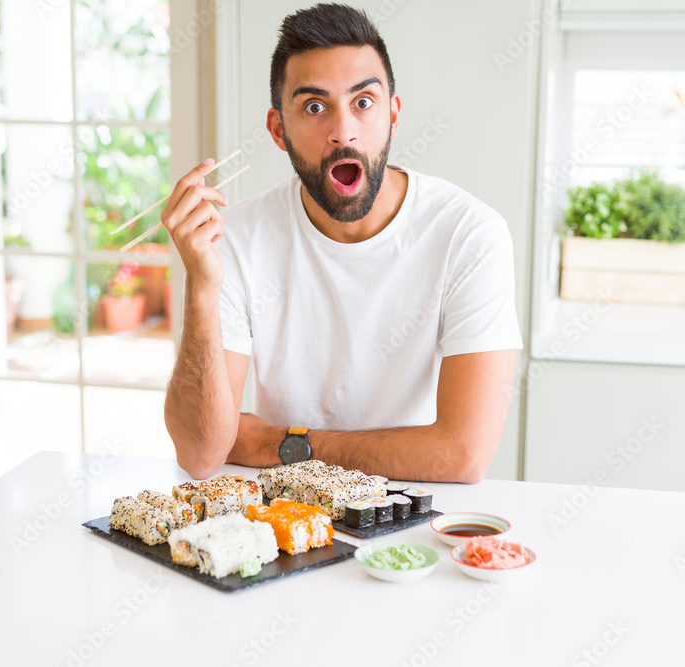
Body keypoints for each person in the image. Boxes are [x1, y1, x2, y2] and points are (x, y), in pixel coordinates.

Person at [162, 3, 522, 483]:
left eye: (363, 102)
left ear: (392, 113)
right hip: (282, 520)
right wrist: (201, 286)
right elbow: (202, 455)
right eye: (314, 107)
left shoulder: (470, 234)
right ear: (278, 130)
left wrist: (286, 444)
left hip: (410, 516)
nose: (343, 132)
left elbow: (462, 455)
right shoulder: (234, 240)